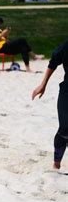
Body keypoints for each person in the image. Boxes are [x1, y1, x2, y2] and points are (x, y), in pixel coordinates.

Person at [32, 40, 68, 169]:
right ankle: (56, 163)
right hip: (67, 91)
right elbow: (53, 62)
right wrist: (43, 85)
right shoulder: (66, 46)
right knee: (65, 128)